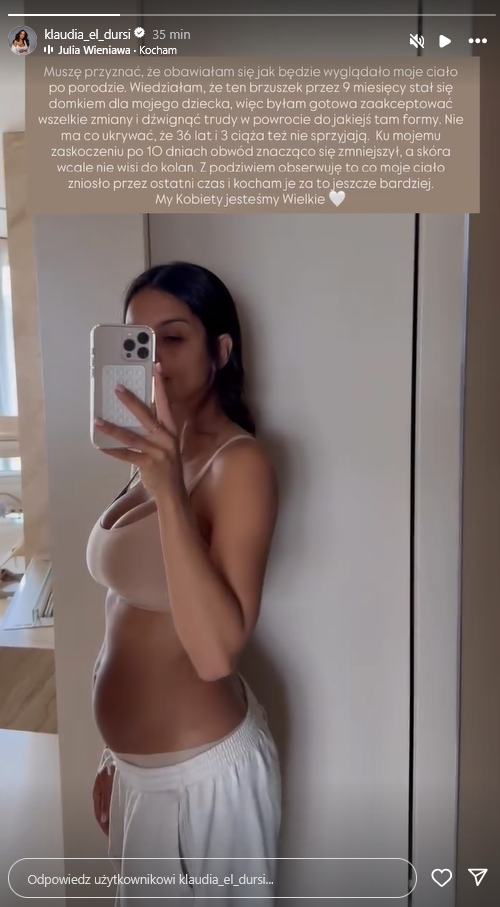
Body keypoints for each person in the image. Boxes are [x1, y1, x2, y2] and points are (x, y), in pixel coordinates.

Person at [86, 262, 281, 904]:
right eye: (138, 342)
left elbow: (214, 653)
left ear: (220, 351)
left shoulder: (239, 464)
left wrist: (168, 489)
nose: (154, 361)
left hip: (205, 779)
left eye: (171, 337)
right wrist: (113, 756)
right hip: (139, 776)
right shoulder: (154, 449)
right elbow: (125, 611)